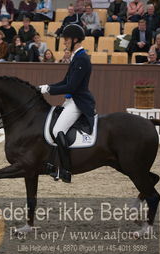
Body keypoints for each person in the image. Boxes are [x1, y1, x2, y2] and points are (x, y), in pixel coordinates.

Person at [39, 24, 96, 183]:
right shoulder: (76, 57)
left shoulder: (82, 58)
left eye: (66, 40)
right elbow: (65, 82)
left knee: (58, 130)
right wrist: (46, 88)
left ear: (75, 40)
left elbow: (71, 87)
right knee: (52, 126)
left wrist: (49, 89)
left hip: (78, 102)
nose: (64, 43)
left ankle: (65, 170)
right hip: (70, 100)